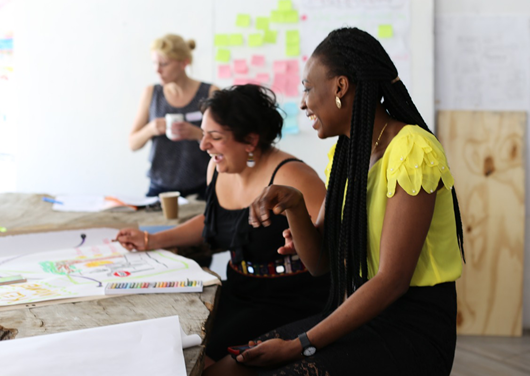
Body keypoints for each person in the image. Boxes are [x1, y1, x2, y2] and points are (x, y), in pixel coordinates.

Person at [205, 27, 466, 376]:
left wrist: (300, 344)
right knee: (226, 370)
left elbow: (392, 279)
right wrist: (295, 207)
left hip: (410, 327)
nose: (302, 102)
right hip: (358, 313)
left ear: (340, 87)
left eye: (308, 88)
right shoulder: (346, 156)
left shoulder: (411, 148)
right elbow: (319, 263)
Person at [116, 84, 330, 367]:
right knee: (170, 346)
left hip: (289, 300)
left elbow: (330, 247)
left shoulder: (294, 175)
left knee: (201, 362)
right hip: (237, 289)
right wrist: (151, 240)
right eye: (203, 134)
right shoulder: (217, 168)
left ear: (250, 141)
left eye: (215, 137)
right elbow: (213, 220)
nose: (203, 145)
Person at [129, 33, 219, 198]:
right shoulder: (152, 93)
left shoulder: (210, 92)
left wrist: (198, 134)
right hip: (160, 187)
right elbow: (133, 144)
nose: (157, 70)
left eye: (164, 64)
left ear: (184, 62)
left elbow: (228, 141)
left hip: (203, 186)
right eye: (155, 63)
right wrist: (151, 129)